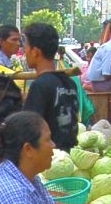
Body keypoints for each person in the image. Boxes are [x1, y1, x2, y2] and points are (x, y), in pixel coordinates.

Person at [22, 23, 80, 152]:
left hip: (49, 158)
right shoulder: (69, 83)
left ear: (35, 52)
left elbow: (30, 129)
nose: (24, 52)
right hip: (68, 154)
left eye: (25, 47)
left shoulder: (40, 85)